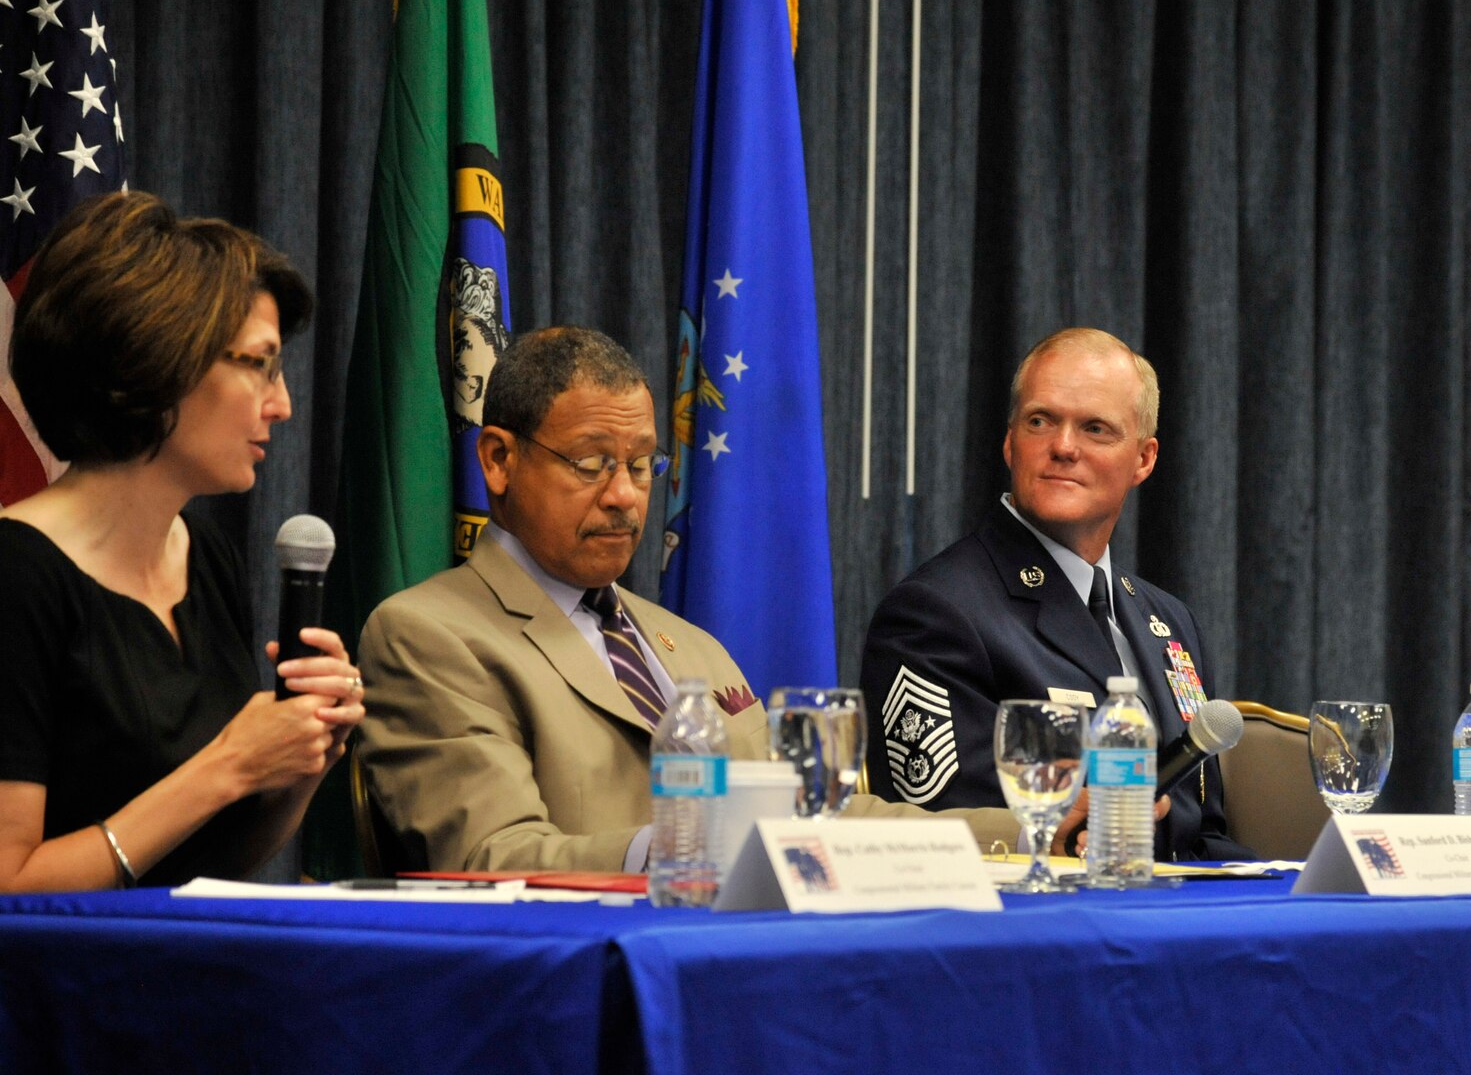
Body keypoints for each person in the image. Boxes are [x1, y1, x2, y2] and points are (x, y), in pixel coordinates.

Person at [359, 327, 1018, 872]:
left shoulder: (690, 645)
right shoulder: (430, 635)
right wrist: (689, 848)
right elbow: (491, 856)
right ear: (499, 460)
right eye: (591, 463)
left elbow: (820, 819)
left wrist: (1029, 833)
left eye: (642, 464)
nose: (624, 495)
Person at [0, 192, 365, 891]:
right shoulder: (18, 577)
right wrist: (229, 763)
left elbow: (213, 864)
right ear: (160, 361)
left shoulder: (208, 558)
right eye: (260, 363)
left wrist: (300, 758)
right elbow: (10, 887)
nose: (283, 403)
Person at [861, 327, 1253, 862]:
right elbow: (945, 817)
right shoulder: (938, 611)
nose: (1063, 447)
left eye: (1095, 429)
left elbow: (1201, 829)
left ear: (1143, 459)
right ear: (1009, 441)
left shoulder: (1168, 620)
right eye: (1040, 421)